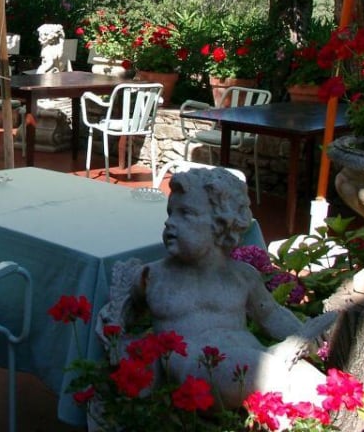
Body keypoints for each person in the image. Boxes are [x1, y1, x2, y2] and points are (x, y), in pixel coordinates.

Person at [128, 166, 333, 409]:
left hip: (249, 361)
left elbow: (272, 315)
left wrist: (302, 333)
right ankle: (281, 359)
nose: (170, 222)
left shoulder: (242, 276)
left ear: (221, 223)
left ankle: (288, 362)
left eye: (185, 213)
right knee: (263, 373)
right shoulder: (154, 276)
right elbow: (124, 319)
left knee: (320, 389)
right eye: (171, 213)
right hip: (198, 372)